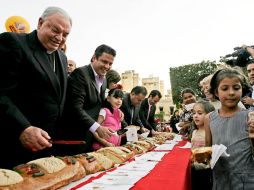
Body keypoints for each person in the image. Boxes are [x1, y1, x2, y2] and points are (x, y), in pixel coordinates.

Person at [0, 6, 72, 168]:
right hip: (13, 146)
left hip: (46, 147)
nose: (60, 38)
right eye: (55, 30)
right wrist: (23, 128)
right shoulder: (13, 42)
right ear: (40, 23)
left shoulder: (61, 57)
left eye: (65, 35)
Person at [56, 44, 116, 154]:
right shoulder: (80, 74)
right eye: (104, 62)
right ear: (94, 58)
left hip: (88, 138)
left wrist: (115, 110)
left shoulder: (104, 80)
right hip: (73, 137)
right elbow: (75, 108)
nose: (107, 66)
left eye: (110, 64)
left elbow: (97, 102)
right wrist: (97, 127)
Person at [204, 67, 254, 189]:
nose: (231, 92)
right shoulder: (209, 118)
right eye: (225, 88)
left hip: (246, 182)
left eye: (236, 88)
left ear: (242, 90)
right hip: (220, 180)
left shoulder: (250, 117)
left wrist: (253, 137)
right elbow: (208, 151)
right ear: (216, 92)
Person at [191, 100, 215, 190]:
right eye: (194, 113)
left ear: (209, 115)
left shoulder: (210, 133)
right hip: (193, 168)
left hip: (205, 170)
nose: (195, 116)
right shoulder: (194, 132)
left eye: (200, 113)